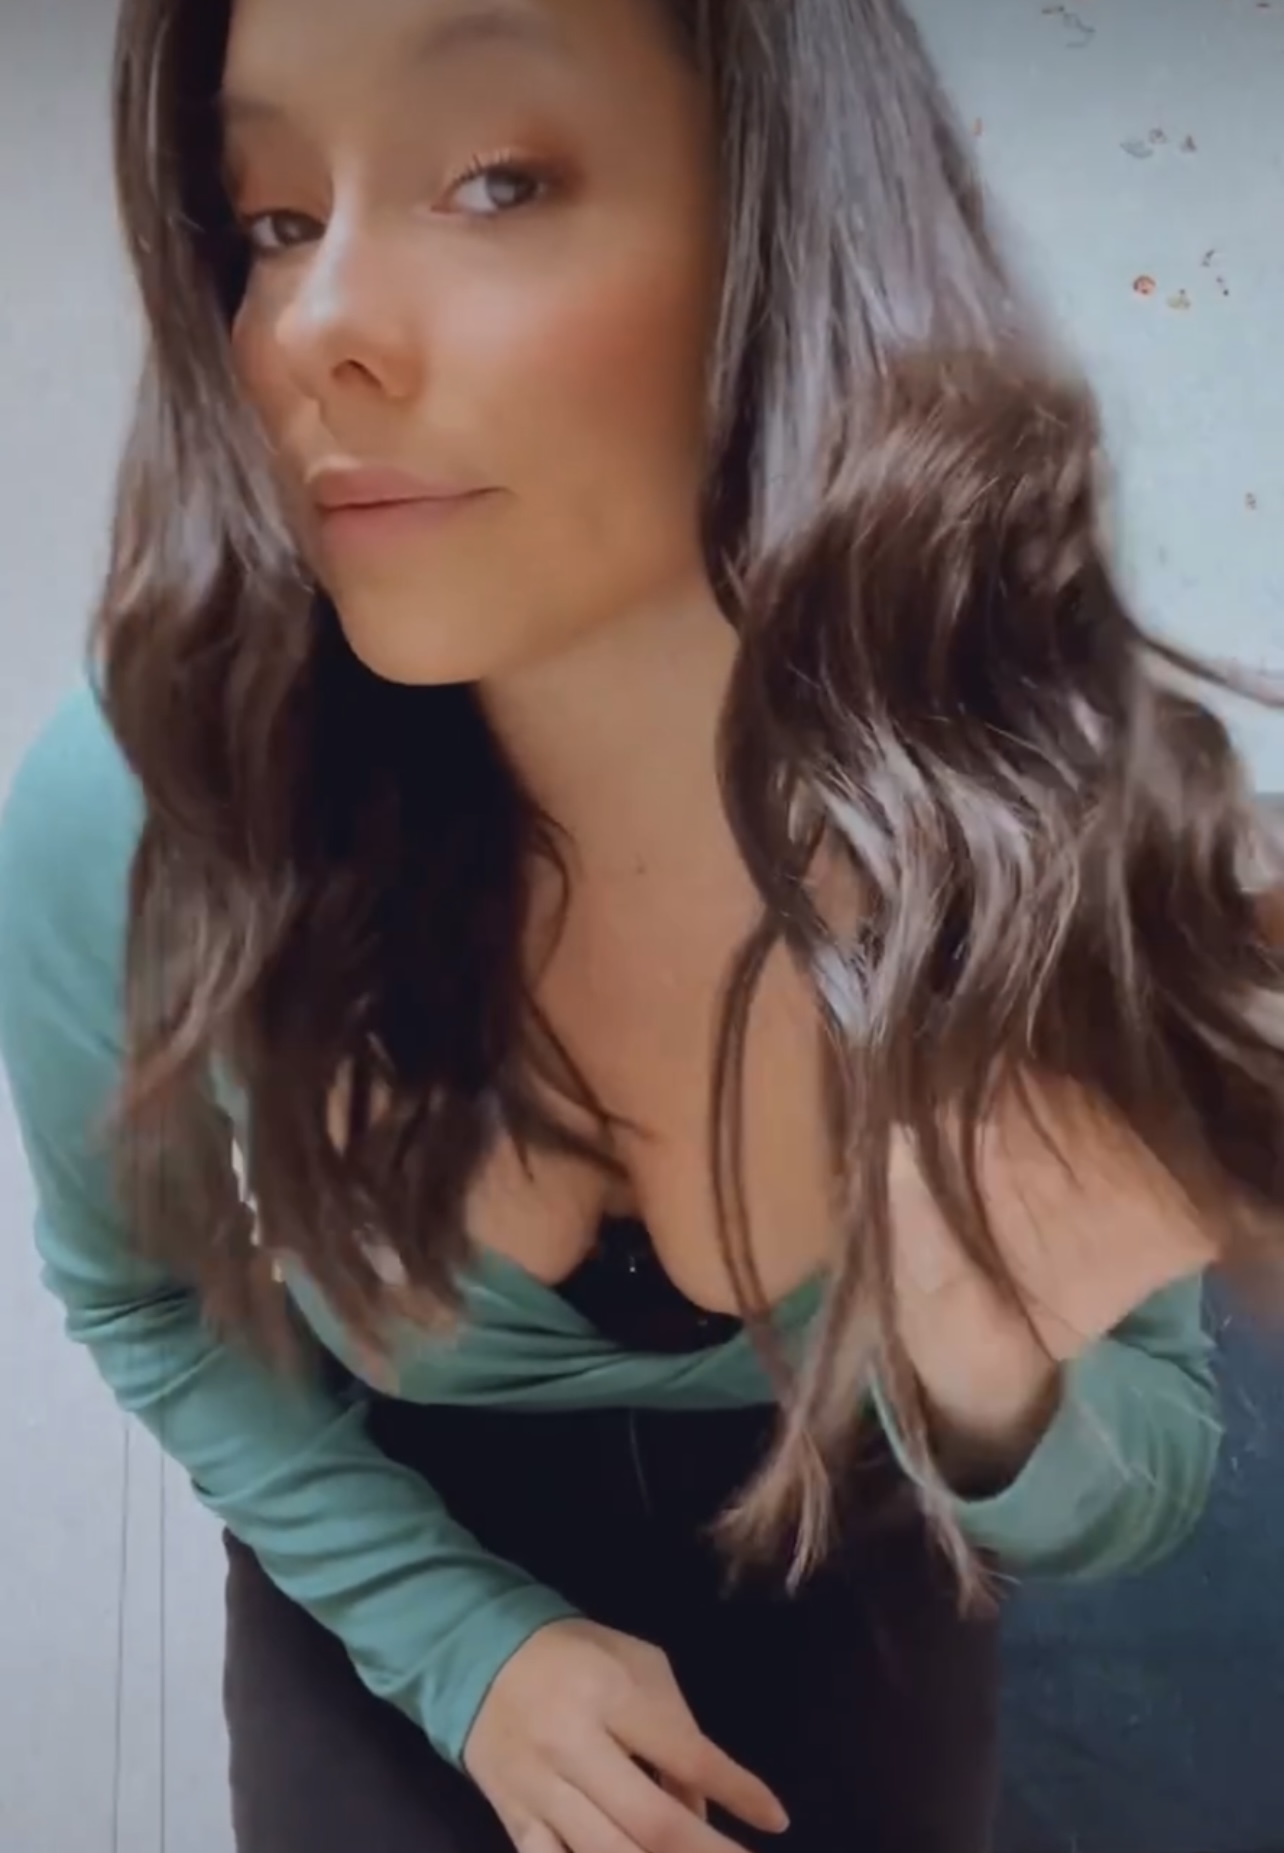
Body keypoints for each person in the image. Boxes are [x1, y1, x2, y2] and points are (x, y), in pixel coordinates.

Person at [2, 0, 1281, 1848]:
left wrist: (993, 1375)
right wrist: (466, 1648)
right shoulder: (147, 802)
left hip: (862, 1530)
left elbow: (1133, 1483)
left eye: (495, 179)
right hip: (390, 1546)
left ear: (795, 220)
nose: (310, 330)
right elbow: (139, 1296)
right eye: (273, 219)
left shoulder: (1024, 808)